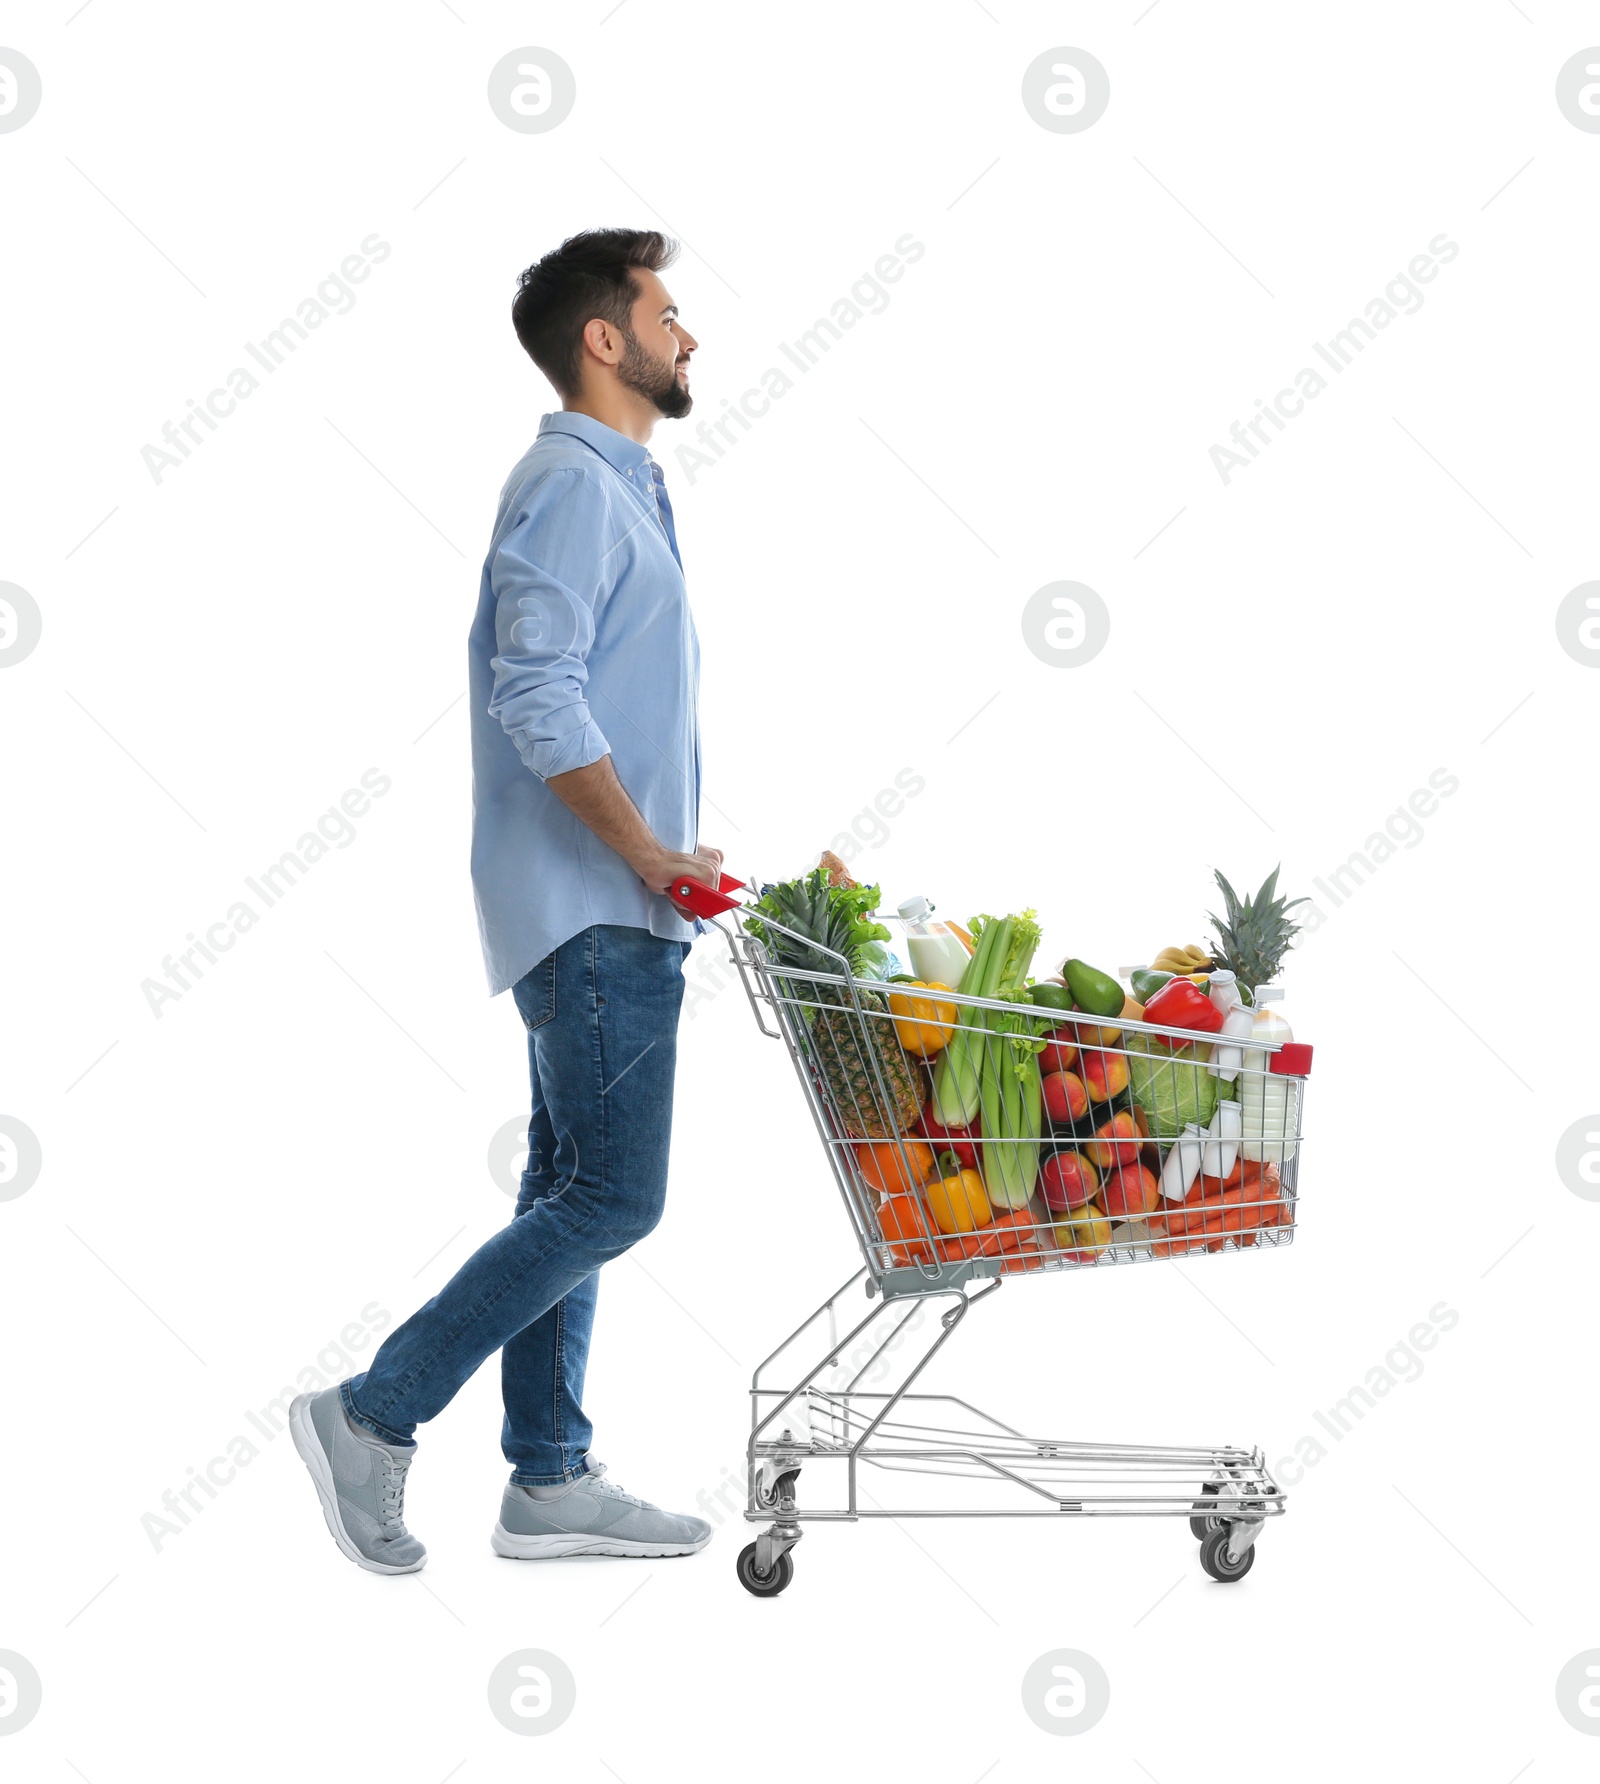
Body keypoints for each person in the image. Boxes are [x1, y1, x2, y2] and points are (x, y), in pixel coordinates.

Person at [290, 228, 720, 1574]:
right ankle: (372, 1411)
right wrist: (646, 853)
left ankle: (546, 1478)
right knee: (613, 1200)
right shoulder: (574, 487)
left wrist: (663, 860)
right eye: (665, 313)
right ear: (607, 339)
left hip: (617, 908)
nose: (687, 335)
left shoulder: (623, 486)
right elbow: (535, 692)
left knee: (568, 1187)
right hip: (596, 911)